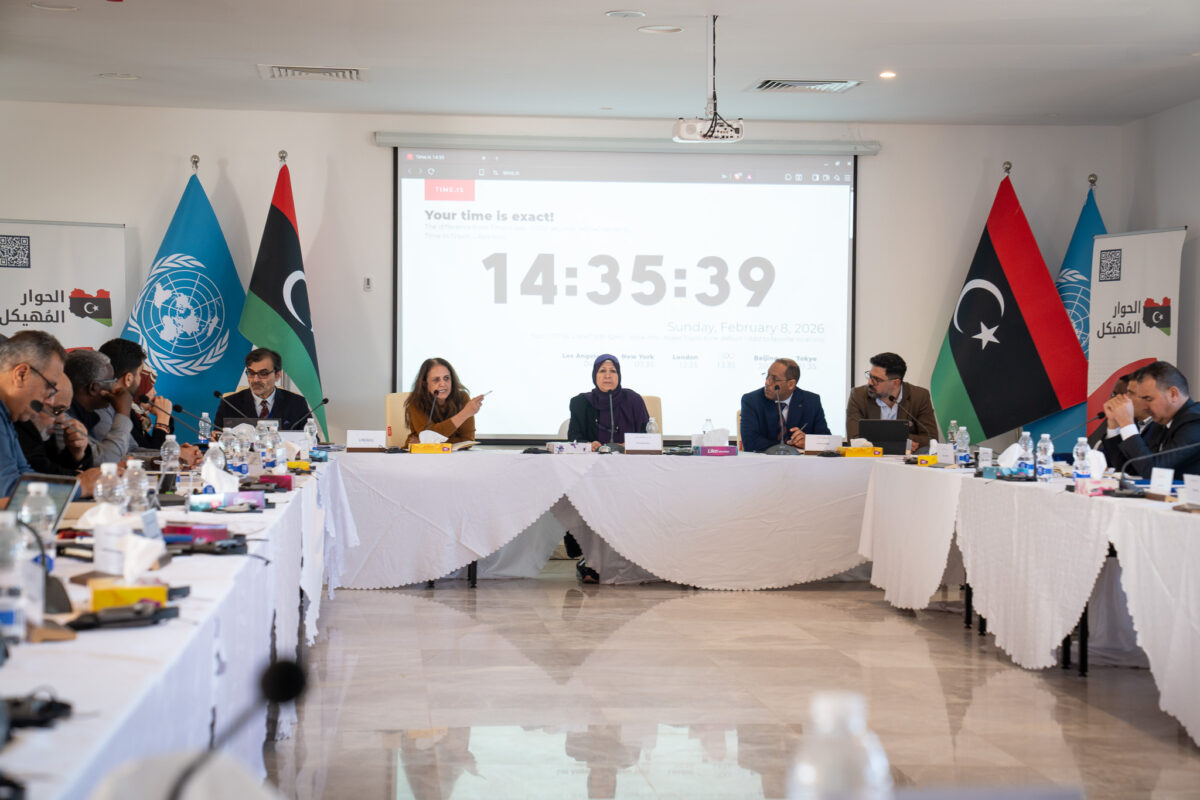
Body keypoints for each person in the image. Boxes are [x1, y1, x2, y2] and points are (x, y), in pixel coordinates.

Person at [0, 330, 67, 504]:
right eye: (49, 388)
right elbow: (8, 491)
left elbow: (25, 474)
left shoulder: (7, 414)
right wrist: (82, 486)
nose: (50, 401)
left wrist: (78, 484)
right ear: (21, 374)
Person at [1102, 360, 1200, 477]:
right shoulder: (1162, 422)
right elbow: (1131, 470)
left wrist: (1127, 424)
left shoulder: (1195, 423)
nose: (1144, 407)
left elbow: (1154, 472)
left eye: (1148, 399)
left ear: (1173, 394)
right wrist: (1114, 426)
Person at [845, 352, 938, 450]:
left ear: (895, 383)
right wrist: (898, 441)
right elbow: (854, 439)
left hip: (907, 458)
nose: (870, 382)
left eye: (876, 379)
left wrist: (882, 438)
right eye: (870, 376)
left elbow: (932, 439)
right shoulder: (858, 396)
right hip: (870, 458)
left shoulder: (919, 396)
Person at [740, 358, 830, 453]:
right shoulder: (752, 400)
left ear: (791, 384)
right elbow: (750, 442)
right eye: (767, 376)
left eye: (774, 379)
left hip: (802, 461)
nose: (767, 382)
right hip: (764, 460)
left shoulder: (811, 401)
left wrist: (808, 442)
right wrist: (789, 449)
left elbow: (826, 441)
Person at [567, 354, 649, 452]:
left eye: (613, 371)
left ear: (619, 375)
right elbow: (574, 438)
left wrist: (632, 445)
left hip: (628, 459)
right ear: (595, 375)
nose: (607, 376)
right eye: (602, 371)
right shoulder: (580, 402)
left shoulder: (633, 400)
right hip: (591, 460)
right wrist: (588, 445)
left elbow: (647, 435)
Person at [214, 348, 311, 430]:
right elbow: (217, 439)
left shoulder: (296, 403)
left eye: (263, 373)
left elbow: (312, 440)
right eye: (251, 373)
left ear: (277, 375)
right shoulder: (229, 404)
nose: (255, 380)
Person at [65, 348, 133, 463]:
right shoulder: (65, 419)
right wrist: (123, 413)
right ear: (93, 388)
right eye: (111, 381)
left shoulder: (86, 415)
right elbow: (108, 461)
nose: (114, 387)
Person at [404, 357, 484, 445]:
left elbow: (467, 440)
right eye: (436, 380)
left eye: (446, 378)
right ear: (425, 384)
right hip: (419, 452)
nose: (443, 384)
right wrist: (464, 414)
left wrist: (428, 442)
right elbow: (428, 438)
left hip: (453, 453)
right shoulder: (416, 402)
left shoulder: (462, 398)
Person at [1098, 372, 1156, 465]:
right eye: (1113, 395)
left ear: (1147, 397)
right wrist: (1113, 427)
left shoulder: (1160, 427)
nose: (1113, 401)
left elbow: (1143, 467)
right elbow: (1106, 460)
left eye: (1130, 394)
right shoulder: (1132, 423)